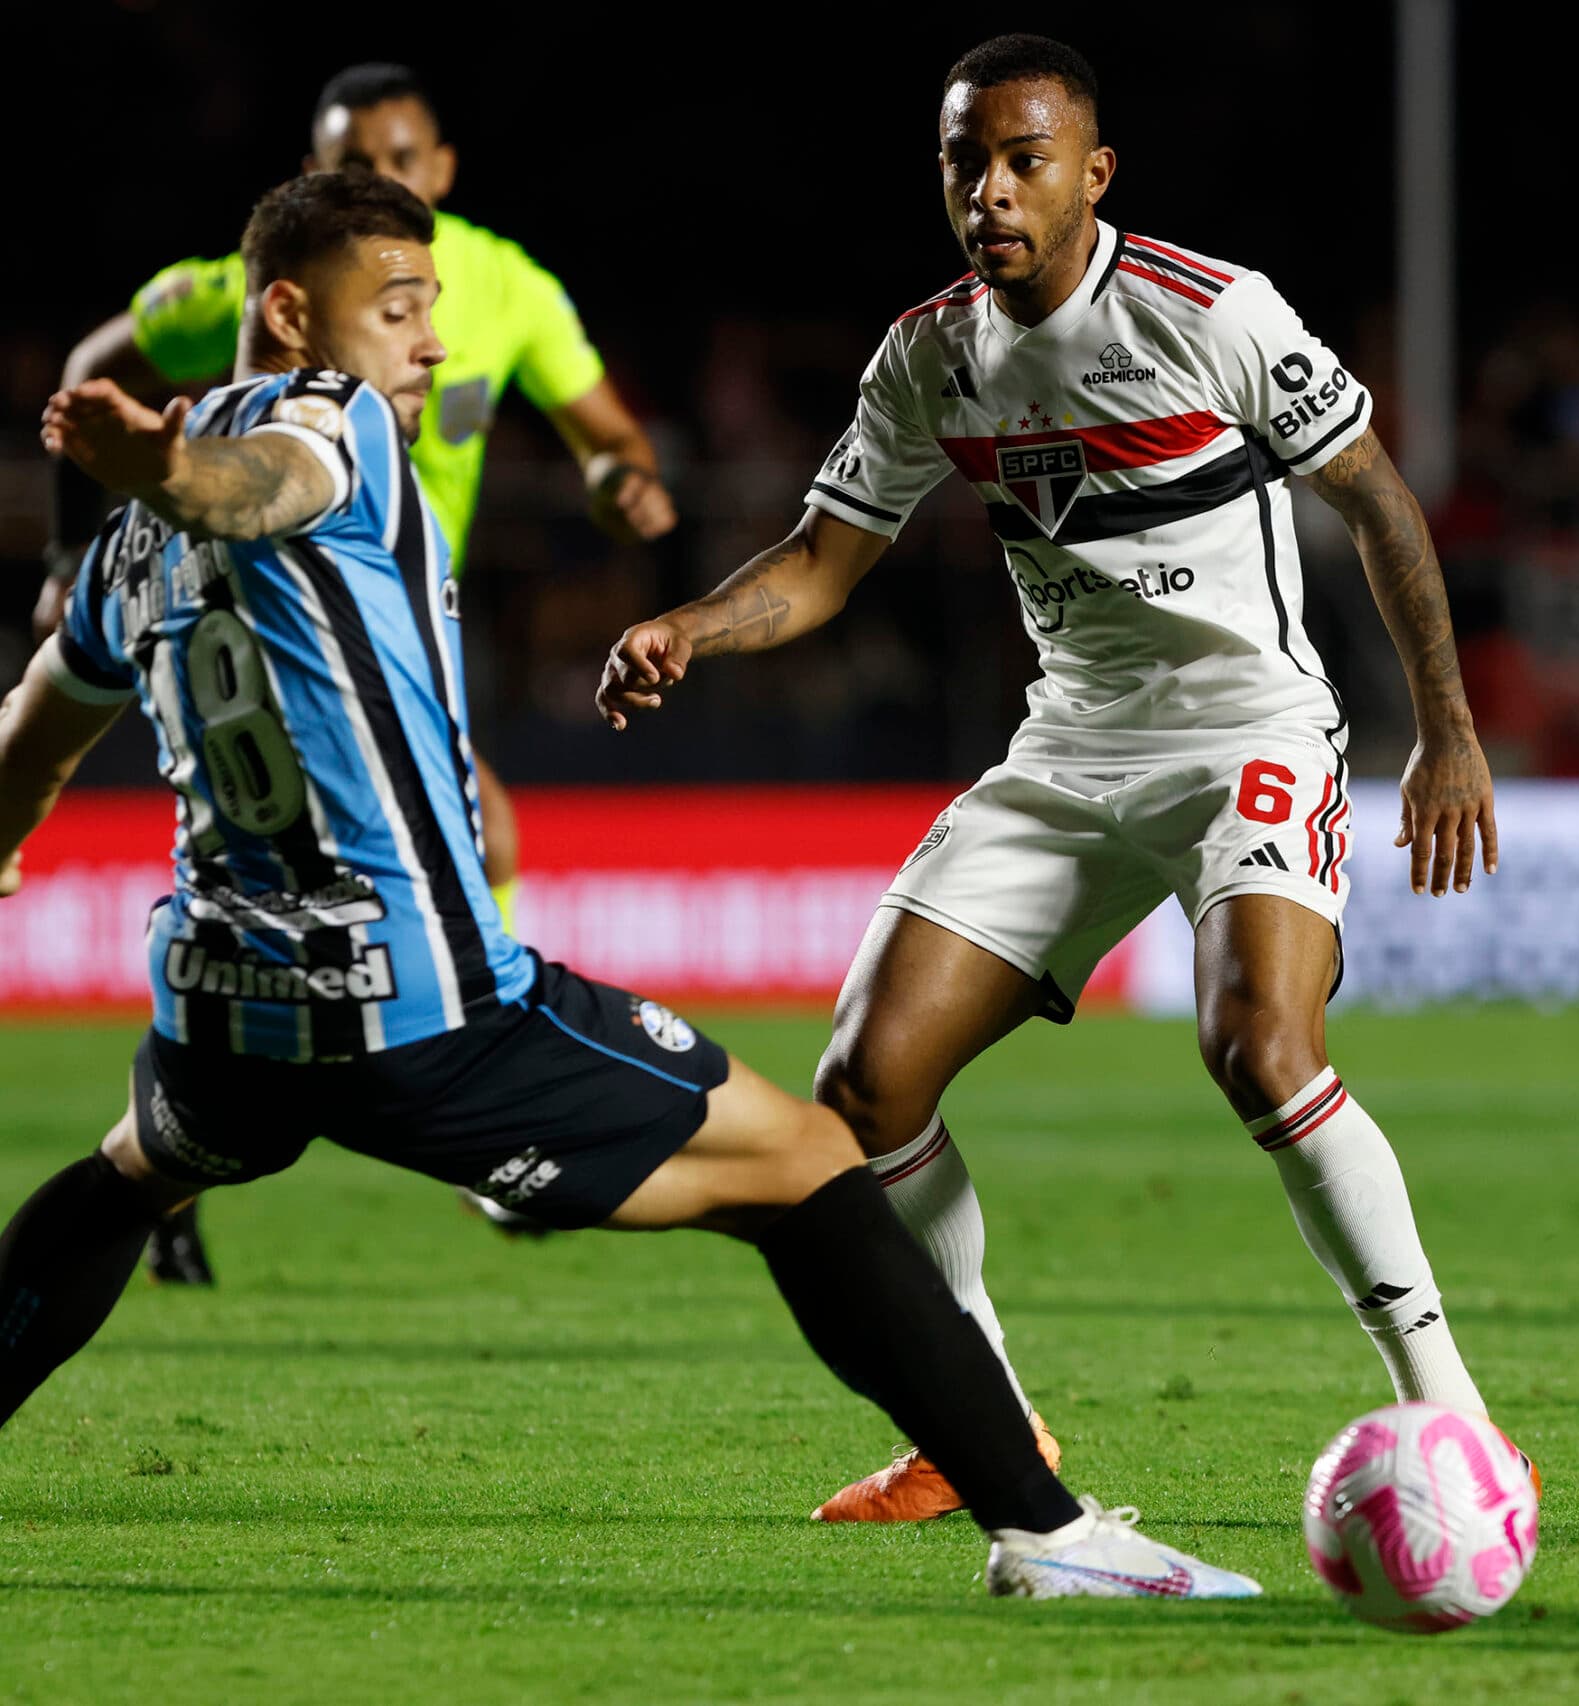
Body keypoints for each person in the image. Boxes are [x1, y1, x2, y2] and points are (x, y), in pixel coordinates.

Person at [0, 169, 1257, 1602]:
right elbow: (266, 481)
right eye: (398, 312)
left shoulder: (117, 554)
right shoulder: (325, 422)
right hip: (415, 1002)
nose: (430, 348)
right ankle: (1044, 1530)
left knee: (135, 1171)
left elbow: (28, 742)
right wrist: (177, 470)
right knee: (811, 1167)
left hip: (223, 1007)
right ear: (291, 316)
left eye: (436, 314)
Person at [598, 34, 1537, 1523]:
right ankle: (993, 1424)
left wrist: (1449, 726)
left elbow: (1375, 496)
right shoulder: (928, 355)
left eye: (1022, 159)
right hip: (1072, 748)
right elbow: (829, 559)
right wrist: (692, 626)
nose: (988, 191)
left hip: (1249, 733)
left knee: (1260, 1049)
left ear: (1093, 174)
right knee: (867, 1081)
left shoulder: (1209, 311)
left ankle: (1458, 1420)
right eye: (963, 161)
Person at [43, 62, 676, 1281]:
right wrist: (88, 540)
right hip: (290, 615)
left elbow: (608, 435)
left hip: (408, 624)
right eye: (353, 156)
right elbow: (99, 358)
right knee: (462, 832)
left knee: (341, 864)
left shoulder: (505, 289)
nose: (383, 178)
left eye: (400, 157)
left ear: (440, 169)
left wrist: (618, 481)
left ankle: (178, 1141)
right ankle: (480, 1122)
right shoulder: (268, 283)